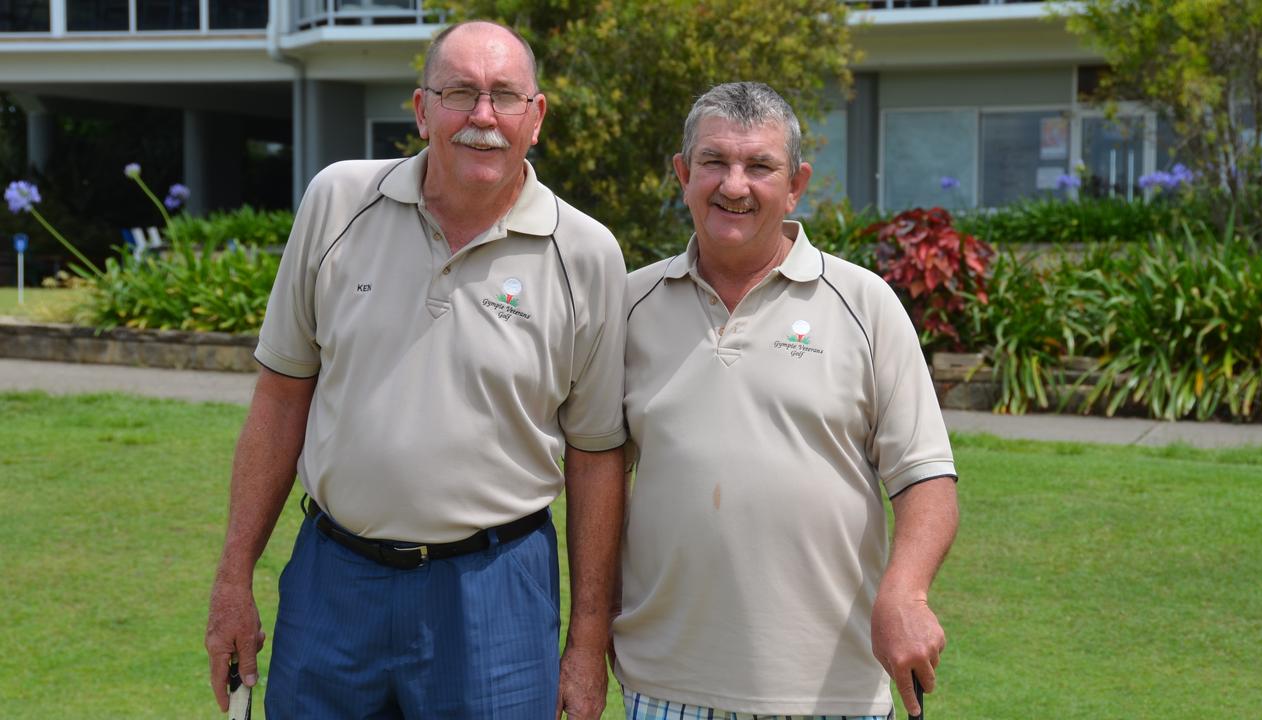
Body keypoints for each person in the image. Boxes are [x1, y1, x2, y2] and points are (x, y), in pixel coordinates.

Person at [204, 20, 627, 719]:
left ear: (537, 116)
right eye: (459, 92)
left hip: (495, 594)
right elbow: (281, 400)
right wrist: (232, 580)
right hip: (333, 581)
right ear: (422, 108)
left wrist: (586, 645)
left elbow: (596, 458)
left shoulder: (585, 253)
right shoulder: (338, 202)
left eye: (504, 97)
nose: (482, 117)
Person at [613, 82, 959, 719]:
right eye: (714, 162)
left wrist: (907, 594)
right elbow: (596, 477)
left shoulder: (865, 304)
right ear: (683, 175)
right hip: (664, 686)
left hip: (834, 691)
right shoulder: (628, 308)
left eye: (760, 166)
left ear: (796, 183)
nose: (734, 186)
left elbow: (926, 477)